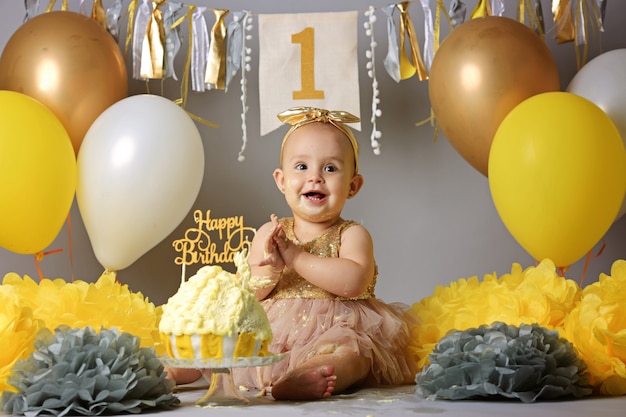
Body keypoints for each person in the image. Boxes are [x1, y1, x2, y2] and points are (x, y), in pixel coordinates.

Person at [166, 107, 418, 400]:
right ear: (281, 180)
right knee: (221, 341)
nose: (315, 178)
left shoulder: (352, 234)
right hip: (272, 329)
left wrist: (297, 258)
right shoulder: (269, 233)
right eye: (301, 167)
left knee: (354, 355)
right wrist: (270, 269)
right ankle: (171, 373)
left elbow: (354, 282)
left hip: (338, 326)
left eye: (330, 168)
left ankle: (308, 375)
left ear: (353, 186)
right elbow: (248, 293)